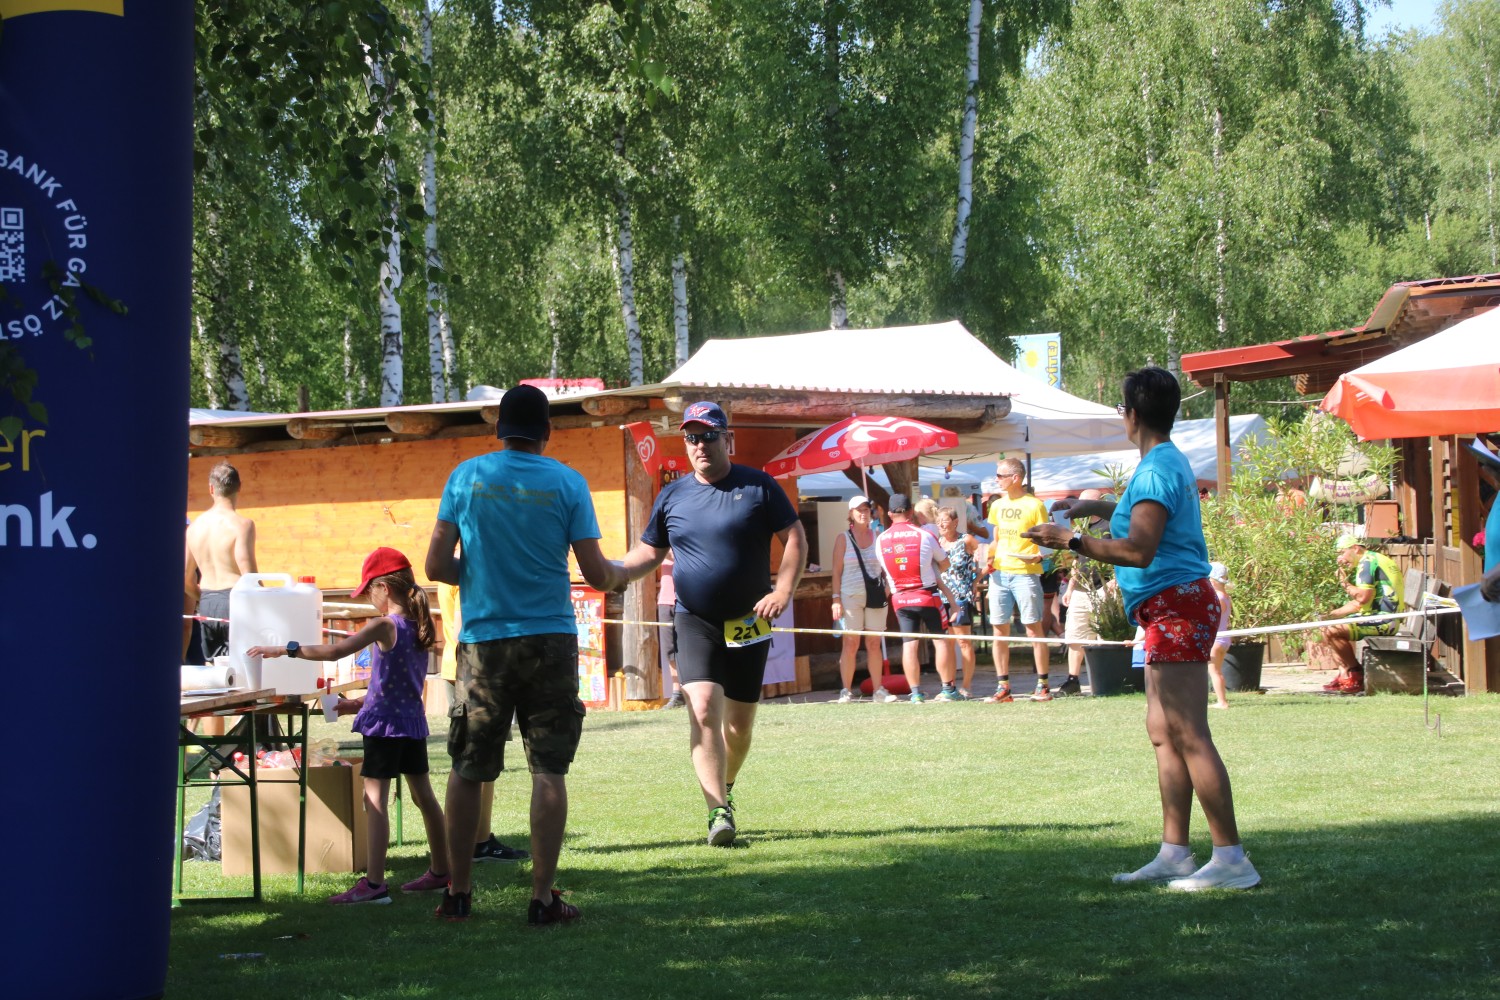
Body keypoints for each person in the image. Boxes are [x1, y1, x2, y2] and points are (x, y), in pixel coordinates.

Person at [1026, 366, 1259, 891]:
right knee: (1163, 732)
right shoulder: (1165, 461)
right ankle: (1175, 853)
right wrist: (1093, 507)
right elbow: (1144, 518)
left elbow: (1138, 549)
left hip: (1177, 606)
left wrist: (1071, 540)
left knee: (1189, 732)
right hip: (1165, 608)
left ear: (1130, 414)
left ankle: (1231, 860)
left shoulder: (1155, 468)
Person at [425, 383, 628, 923]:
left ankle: (458, 894)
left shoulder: (465, 477)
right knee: (548, 770)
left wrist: (480, 572)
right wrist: (625, 573)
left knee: (468, 768)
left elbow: (435, 566)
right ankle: (541, 898)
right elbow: (597, 573)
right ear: (547, 433)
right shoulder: (568, 482)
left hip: (484, 643)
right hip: (550, 641)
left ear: (498, 429)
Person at [617, 401, 807, 848]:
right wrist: (613, 570)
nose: (700, 445)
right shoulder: (673, 496)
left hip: (750, 621)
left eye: (708, 436)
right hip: (694, 620)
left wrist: (782, 591)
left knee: (738, 727)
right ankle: (717, 811)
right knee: (702, 709)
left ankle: (728, 786)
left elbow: (795, 537)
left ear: (727, 439)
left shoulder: (758, 486)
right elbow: (649, 552)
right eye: (691, 438)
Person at [247, 547, 450, 906]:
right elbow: (399, 686)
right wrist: (355, 704)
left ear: (384, 587)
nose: (368, 598)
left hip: (384, 730)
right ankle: (441, 871)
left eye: (369, 590)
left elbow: (335, 652)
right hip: (410, 724)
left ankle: (374, 885)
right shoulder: (420, 626)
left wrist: (286, 649)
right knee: (424, 798)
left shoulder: (384, 625)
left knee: (375, 801)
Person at [437, 580, 530, 864]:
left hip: (469, 670)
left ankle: (477, 839)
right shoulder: (466, 572)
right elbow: (464, 628)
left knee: (479, 760)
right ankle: (473, 843)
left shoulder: (459, 570)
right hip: (474, 672)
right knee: (473, 761)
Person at [875, 494, 960, 703]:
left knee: (909, 645)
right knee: (940, 641)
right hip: (927, 594)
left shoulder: (881, 539)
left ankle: (915, 693)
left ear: (889, 514)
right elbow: (945, 563)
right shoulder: (925, 535)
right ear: (911, 512)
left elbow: (884, 570)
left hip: (900, 598)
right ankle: (947, 689)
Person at [981, 457, 1053, 702]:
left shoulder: (1035, 505)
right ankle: (1003, 688)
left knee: (1033, 629)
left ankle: (1043, 685)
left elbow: (1046, 539)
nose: (996, 480)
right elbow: (996, 539)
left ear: (1016, 478)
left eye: (1000, 476)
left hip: (1025, 572)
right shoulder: (997, 506)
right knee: (998, 630)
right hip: (1000, 574)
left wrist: (1039, 555)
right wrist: (986, 558)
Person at [185, 461, 257, 662]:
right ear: (239, 487)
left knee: (215, 669)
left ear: (211, 488)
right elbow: (249, 575)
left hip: (207, 601)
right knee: (244, 666)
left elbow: (185, 579)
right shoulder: (242, 525)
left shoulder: (194, 528)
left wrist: (204, 599)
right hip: (235, 599)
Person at [1317, 534, 1404, 693]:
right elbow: (1359, 604)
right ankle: (1344, 675)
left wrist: (1343, 582)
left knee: (1333, 631)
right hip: (1379, 616)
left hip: (1386, 620)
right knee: (1326, 627)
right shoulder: (1371, 560)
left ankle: (1355, 674)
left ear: (1355, 548)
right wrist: (1330, 615)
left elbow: (1362, 598)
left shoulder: (1367, 563)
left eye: (1341, 553)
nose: (1339, 559)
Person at [830, 495, 891, 703]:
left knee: (874, 643)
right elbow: (836, 571)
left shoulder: (878, 536)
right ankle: (846, 690)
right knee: (850, 643)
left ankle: (878, 690)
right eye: (859, 510)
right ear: (851, 513)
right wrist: (836, 599)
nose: (864, 514)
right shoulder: (843, 538)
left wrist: (888, 587)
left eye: (866, 509)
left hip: (875, 595)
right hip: (850, 595)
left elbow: (887, 566)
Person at [1058, 489, 1111, 696]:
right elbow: (1076, 559)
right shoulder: (1080, 527)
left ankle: (1104, 679)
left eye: (1085, 503)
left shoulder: (1110, 525)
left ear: (1098, 502)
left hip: (1104, 586)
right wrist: (1070, 587)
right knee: (1075, 634)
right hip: (1081, 588)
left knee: (1102, 634)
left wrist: (1115, 582)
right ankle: (1073, 680)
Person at [937, 505, 981, 698]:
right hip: (941, 598)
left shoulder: (966, 540)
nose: (941, 525)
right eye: (938, 521)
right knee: (946, 643)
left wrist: (976, 581)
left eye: (945, 520)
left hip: (961, 596)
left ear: (955, 522)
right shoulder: (937, 542)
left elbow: (985, 559)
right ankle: (949, 686)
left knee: (963, 641)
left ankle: (967, 685)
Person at [658, 551, 686, 709]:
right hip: (666, 600)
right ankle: (678, 694)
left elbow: (677, 554)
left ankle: (695, 693)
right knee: (670, 650)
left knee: (694, 648)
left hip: (691, 600)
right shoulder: (661, 541)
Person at [1206, 562, 1232, 710]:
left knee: (1214, 671)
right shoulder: (1226, 597)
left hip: (1216, 639)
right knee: (1217, 671)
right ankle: (1222, 700)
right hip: (1224, 638)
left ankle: (1222, 702)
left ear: (1214, 581)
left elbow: (1212, 619)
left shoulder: (1218, 598)